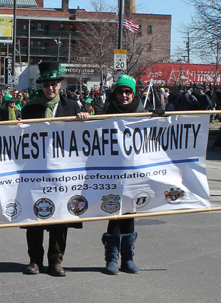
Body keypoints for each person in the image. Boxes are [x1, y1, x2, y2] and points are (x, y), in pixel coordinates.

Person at [21, 61, 87, 277]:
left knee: (60, 216)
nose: (51, 87)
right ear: (41, 85)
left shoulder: (72, 106)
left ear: (60, 84)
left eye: (55, 83)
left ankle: (56, 261)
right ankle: (34, 261)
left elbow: (83, 137)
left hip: (63, 172)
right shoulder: (30, 107)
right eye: (47, 84)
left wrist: (83, 121)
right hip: (36, 171)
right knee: (35, 217)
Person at [100, 74, 148, 275]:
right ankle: (111, 259)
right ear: (115, 93)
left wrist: (161, 116)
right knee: (114, 213)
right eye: (120, 92)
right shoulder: (106, 112)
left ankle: (127, 259)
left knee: (129, 213)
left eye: (128, 92)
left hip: (134, 172)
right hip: (111, 171)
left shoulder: (142, 112)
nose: (124, 95)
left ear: (133, 93)